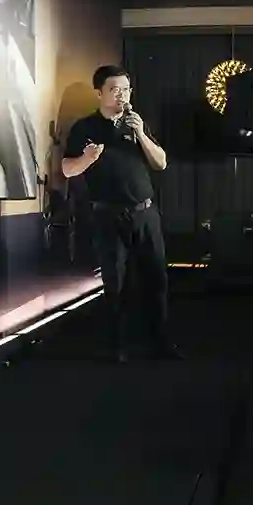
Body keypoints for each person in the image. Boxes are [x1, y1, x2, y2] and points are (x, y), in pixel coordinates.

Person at [61, 65, 180, 363]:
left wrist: (140, 133)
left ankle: (161, 343)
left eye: (125, 90)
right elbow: (67, 169)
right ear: (99, 93)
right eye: (114, 90)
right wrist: (87, 159)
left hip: (145, 214)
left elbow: (161, 162)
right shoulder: (84, 128)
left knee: (156, 279)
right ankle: (117, 347)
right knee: (116, 284)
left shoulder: (136, 123)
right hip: (108, 216)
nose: (121, 95)